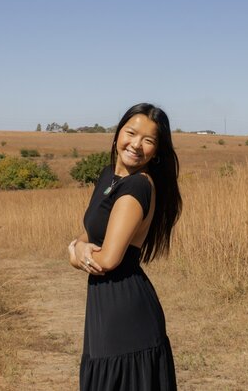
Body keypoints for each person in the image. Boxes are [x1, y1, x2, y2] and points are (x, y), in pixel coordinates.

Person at [68, 103, 182, 390]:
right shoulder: (109, 176)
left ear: (156, 150)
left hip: (126, 312)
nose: (136, 144)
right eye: (131, 133)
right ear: (118, 133)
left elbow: (106, 260)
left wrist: (76, 252)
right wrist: (78, 249)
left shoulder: (138, 187)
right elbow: (88, 233)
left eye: (149, 140)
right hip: (104, 304)